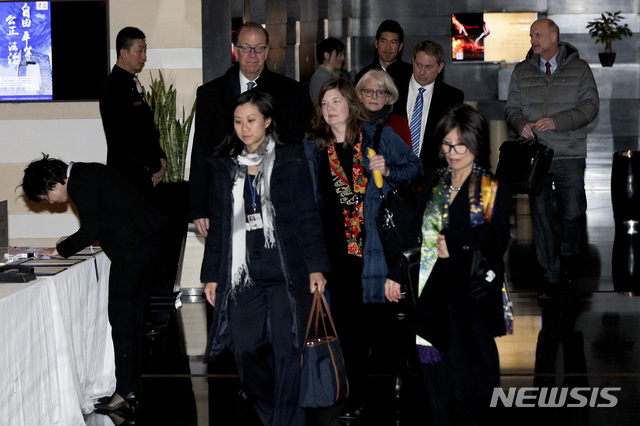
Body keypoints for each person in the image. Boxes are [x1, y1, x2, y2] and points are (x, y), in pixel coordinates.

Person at [201, 91, 330, 426]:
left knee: (288, 352)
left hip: (286, 269)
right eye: (238, 121)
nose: (244, 128)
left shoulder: (291, 159)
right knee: (244, 350)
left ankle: (285, 421)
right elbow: (219, 226)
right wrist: (212, 275)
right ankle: (272, 413)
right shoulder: (226, 166)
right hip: (244, 273)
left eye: (251, 121)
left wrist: (316, 267)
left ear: (267, 121)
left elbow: (307, 217)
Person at [304, 77, 422, 422]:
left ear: (351, 104)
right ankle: (353, 395)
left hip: (372, 249)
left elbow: (414, 167)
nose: (330, 109)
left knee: (377, 329)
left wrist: (388, 169)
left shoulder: (377, 136)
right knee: (346, 330)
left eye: (336, 102)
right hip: (333, 253)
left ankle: (388, 388)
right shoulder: (313, 147)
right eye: (324, 104)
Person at [385, 104, 510, 425]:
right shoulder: (435, 180)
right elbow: (414, 230)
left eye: (459, 145)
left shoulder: (491, 188)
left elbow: (497, 241)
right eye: (446, 144)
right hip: (433, 298)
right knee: (435, 383)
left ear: (476, 144)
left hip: (471, 301)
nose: (451, 152)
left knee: (475, 387)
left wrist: (456, 243)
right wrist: (397, 273)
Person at [21, 154, 168, 419]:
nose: (50, 203)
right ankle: (131, 384)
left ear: (52, 185)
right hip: (147, 240)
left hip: (133, 249)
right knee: (133, 316)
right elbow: (107, 216)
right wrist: (73, 241)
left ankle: (124, 391)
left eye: (45, 198)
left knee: (122, 319)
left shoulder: (80, 183)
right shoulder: (87, 172)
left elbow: (92, 228)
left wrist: (59, 250)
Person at [189, 21, 312, 238]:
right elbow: (201, 151)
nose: (252, 54)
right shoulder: (210, 93)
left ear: (267, 51)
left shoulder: (292, 92)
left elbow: (298, 151)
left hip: (275, 201)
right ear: (235, 50)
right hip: (224, 201)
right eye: (246, 47)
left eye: (259, 48)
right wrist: (199, 209)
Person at [505, 18, 599, 292]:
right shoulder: (522, 71)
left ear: (554, 36)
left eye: (537, 34)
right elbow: (511, 108)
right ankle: (550, 272)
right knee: (541, 216)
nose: (532, 39)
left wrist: (558, 121)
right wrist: (519, 123)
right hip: (535, 155)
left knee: (573, 213)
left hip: (569, 153)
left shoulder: (580, 68)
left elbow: (591, 107)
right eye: (531, 35)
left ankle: (569, 255)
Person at [99, 26, 167, 198]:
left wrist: (161, 158)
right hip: (129, 176)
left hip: (143, 175)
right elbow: (124, 137)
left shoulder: (130, 82)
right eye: (139, 51)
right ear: (123, 53)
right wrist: (151, 168)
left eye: (145, 50)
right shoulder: (114, 86)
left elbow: (147, 128)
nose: (144, 56)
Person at [397, 40, 464, 174]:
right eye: (418, 65)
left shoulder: (452, 97)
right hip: (395, 170)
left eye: (429, 67)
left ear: (440, 68)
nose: (422, 72)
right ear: (413, 62)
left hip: (432, 174)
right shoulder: (394, 89)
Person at [354, 19, 413, 105]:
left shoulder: (411, 74)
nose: (388, 47)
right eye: (383, 41)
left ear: (400, 46)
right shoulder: (363, 75)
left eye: (393, 42)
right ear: (376, 43)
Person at [355, 69, 411, 146]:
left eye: (380, 92)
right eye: (369, 91)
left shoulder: (399, 123)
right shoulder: (350, 123)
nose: (374, 96)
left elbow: (408, 157)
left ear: (387, 98)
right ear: (359, 95)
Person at [309, 37, 345, 103]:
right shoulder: (319, 78)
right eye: (339, 54)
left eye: (343, 54)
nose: (343, 58)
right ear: (327, 55)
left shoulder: (331, 75)